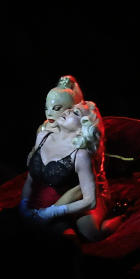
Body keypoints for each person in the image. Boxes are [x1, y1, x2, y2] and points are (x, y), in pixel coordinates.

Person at [18, 100, 120, 242]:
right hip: (39, 204)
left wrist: (50, 213)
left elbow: (90, 201)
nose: (67, 110)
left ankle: (121, 214)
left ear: (82, 127)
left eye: (75, 112)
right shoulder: (43, 136)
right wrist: (23, 206)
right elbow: (31, 178)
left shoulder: (81, 154)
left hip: (69, 203)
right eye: (71, 108)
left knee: (91, 236)